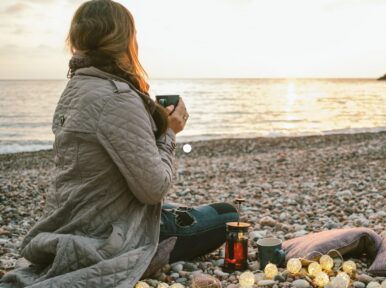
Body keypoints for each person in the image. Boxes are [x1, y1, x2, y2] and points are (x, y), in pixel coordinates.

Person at [0, 1, 238, 287]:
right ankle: (151, 254)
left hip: (75, 219)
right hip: (110, 235)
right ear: (125, 40)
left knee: (184, 212)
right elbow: (153, 189)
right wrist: (170, 133)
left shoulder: (75, 89)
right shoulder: (118, 98)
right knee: (229, 215)